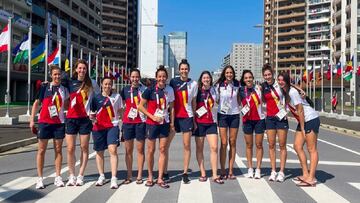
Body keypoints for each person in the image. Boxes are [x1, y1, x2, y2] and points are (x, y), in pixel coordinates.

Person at [30, 65, 69, 189]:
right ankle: (40, 178)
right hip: (44, 122)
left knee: (58, 150)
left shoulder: (64, 89)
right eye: (55, 74)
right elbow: (36, 104)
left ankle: (58, 177)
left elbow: (67, 106)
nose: (57, 76)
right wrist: (32, 121)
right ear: (51, 75)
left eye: (59, 74)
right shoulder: (44, 87)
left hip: (59, 123)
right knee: (41, 150)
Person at [277, 72, 320, 187]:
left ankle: (311, 178)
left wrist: (302, 127)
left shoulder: (292, 92)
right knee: (297, 146)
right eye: (279, 80)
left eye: (283, 80)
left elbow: (300, 110)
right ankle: (305, 174)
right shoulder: (286, 92)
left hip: (310, 119)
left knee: (312, 149)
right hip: (304, 121)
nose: (280, 82)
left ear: (287, 81)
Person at [64, 59, 100, 186]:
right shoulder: (70, 83)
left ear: (87, 70)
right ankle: (71, 175)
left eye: (84, 68)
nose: (82, 70)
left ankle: (80, 175)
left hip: (85, 120)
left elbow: (98, 99)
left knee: (84, 147)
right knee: (70, 148)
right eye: (80, 68)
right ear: (75, 69)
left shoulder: (92, 83)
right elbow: (64, 97)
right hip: (71, 118)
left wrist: (94, 112)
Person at [138, 67, 175, 189]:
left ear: (166, 77)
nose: (162, 78)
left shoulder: (169, 90)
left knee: (163, 149)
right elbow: (141, 107)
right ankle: (150, 176)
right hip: (152, 124)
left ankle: (160, 178)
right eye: (159, 76)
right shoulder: (149, 90)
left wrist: (172, 123)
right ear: (156, 77)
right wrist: (152, 117)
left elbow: (172, 108)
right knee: (150, 150)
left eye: (164, 76)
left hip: (164, 123)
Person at [168, 59, 198, 183]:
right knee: (165, 145)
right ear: (179, 70)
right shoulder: (173, 82)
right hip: (174, 117)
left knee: (186, 145)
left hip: (187, 117)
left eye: (186, 69)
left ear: (189, 70)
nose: (184, 71)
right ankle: (164, 171)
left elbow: (194, 102)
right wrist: (170, 118)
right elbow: (169, 99)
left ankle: (185, 172)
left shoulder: (194, 84)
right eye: (182, 69)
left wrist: (195, 120)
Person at [90, 77, 122, 189]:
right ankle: (102, 176)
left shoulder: (117, 97)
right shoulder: (96, 97)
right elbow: (92, 112)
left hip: (112, 126)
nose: (107, 86)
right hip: (99, 127)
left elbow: (120, 111)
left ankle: (114, 178)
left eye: (109, 84)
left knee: (113, 149)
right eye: (105, 84)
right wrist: (92, 118)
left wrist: (119, 123)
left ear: (112, 85)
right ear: (101, 85)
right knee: (99, 151)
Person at [193, 71, 224, 184]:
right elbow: (193, 105)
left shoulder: (214, 90)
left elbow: (218, 102)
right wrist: (193, 121)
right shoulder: (197, 90)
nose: (206, 79)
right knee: (199, 148)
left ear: (210, 79)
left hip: (211, 122)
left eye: (208, 78)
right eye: (204, 78)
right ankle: (203, 172)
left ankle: (215, 175)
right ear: (201, 79)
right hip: (199, 122)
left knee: (214, 147)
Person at [261, 64, 288, 182]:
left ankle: (281, 171)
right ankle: (273, 170)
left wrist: (286, 109)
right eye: (265, 75)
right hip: (270, 118)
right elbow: (262, 100)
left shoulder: (280, 84)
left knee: (282, 145)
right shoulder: (263, 87)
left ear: (273, 74)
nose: (267, 77)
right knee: (271, 145)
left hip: (281, 118)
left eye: (269, 74)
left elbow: (289, 93)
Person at [120, 69, 147, 184]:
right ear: (129, 78)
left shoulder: (144, 90)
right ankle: (129, 175)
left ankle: (140, 175)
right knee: (128, 150)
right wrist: (122, 119)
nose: (135, 79)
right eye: (133, 77)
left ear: (139, 77)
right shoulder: (125, 90)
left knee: (140, 150)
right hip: (128, 123)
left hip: (141, 122)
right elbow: (120, 106)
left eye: (137, 77)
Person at [215, 65, 241, 180]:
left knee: (233, 142)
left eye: (231, 73)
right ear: (224, 74)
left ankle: (230, 170)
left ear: (233, 74)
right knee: (224, 143)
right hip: (222, 115)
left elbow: (240, 99)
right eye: (227, 73)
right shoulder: (219, 85)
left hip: (235, 115)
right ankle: (222, 169)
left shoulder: (238, 84)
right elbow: (215, 99)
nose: (229, 74)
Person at [239, 70, 265, 179]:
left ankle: (258, 168)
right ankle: (250, 168)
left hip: (259, 119)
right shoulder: (240, 90)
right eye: (246, 78)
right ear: (243, 80)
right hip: (247, 120)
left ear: (253, 78)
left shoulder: (259, 88)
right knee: (249, 145)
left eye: (250, 77)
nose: (248, 79)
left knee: (259, 145)